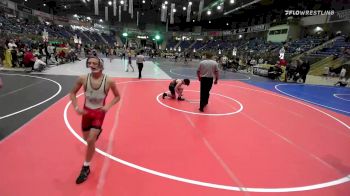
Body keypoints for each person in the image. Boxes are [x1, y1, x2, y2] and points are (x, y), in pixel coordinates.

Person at [70, 56, 121, 184]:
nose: (91, 65)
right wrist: (76, 107)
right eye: (89, 63)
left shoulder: (109, 81)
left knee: (91, 140)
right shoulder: (83, 78)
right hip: (86, 112)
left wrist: (107, 106)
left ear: (101, 65)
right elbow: (72, 93)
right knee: (86, 139)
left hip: (99, 113)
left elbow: (117, 96)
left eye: (94, 63)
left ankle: (86, 167)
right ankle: (96, 132)